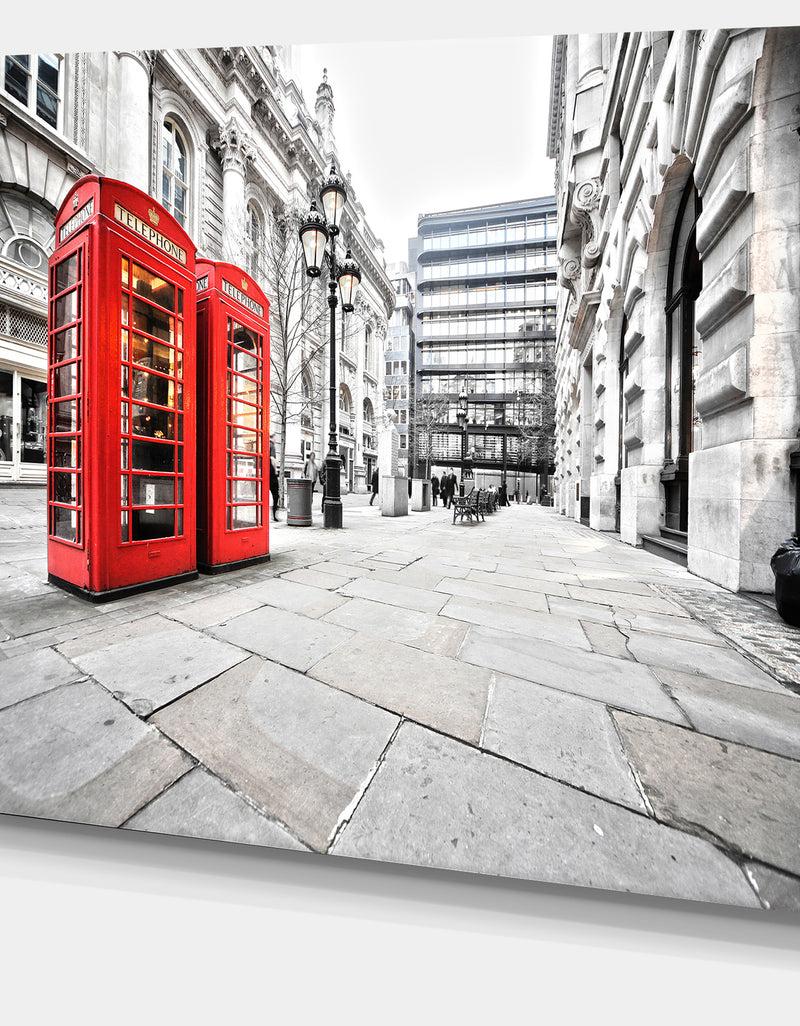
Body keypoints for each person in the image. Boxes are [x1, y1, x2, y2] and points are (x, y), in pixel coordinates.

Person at [269, 453, 280, 522]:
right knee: (275, 499)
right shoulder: (271, 468)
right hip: (273, 485)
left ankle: (274, 515)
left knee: (275, 500)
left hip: (272, 485)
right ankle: (274, 516)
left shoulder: (271, 467)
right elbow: (274, 477)